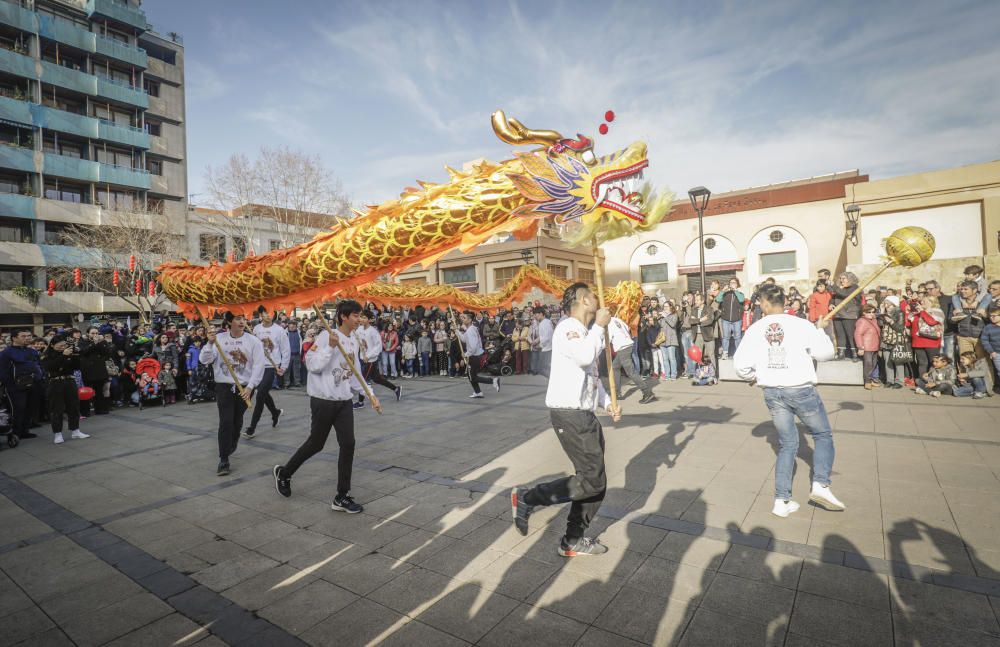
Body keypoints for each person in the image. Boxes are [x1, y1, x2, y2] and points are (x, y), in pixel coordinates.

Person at [511, 282, 622, 557]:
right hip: (569, 414)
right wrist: (599, 326)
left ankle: (573, 539)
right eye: (593, 296)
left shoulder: (584, 331)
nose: (598, 299)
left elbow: (592, 378)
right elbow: (585, 358)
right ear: (584, 300)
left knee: (595, 481)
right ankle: (528, 497)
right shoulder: (568, 328)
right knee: (592, 480)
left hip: (585, 414)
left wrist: (607, 403)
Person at [733, 284, 844, 518]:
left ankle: (782, 500)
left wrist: (753, 376)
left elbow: (740, 366)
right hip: (800, 389)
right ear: (783, 301)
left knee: (787, 444)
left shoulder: (755, 329)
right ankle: (820, 484)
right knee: (822, 435)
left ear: (764, 303)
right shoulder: (801, 324)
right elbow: (825, 353)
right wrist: (821, 331)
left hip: (773, 392)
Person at [273, 300, 372, 513]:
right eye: (355, 315)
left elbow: (354, 373)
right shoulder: (326, 336)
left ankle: (342, 496)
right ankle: (285, 473)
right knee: (316, 443)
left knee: (348, 444)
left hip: (343, 401)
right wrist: (330, 347)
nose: (359, 319)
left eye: (360, 315)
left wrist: (369, 394)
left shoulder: (353, 341)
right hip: (323, 400)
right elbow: (312, 365)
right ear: (343, 316)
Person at [200, 313, 266, 476]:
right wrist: (209, 343)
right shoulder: (219, 339)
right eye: (237, 318)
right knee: (226, 421)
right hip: (224, 386)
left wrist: (250, 387)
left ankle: (233, 440)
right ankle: (223, 460)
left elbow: (259, 366)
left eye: (243, 318)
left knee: (237, 421)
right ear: (229, 322)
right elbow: (204, 359)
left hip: (245, 387)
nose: (242, 321)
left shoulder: (253, 341)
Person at [244, 309, 289, 438]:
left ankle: (252, 428)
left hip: (271, 366)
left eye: (270, 313)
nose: (268, 315)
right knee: (263, 393)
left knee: (260, 395)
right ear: (260, 315)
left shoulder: (279, 330)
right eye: (265, 313)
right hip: (257, 366)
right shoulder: (256, 329)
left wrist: (283, 367)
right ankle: (275, 412)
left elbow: (286, 349)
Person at [40, 335, 89, 445]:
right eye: (60, 345)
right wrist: (63, 355)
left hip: (70, 381)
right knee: (57, 409)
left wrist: (75, 354)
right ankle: (57, 433)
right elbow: (51, 367)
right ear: (52, 345)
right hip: (55, 382)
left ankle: (75, 430)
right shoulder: (47, 354)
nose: (63, 347)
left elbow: (76, 366)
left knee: (74, 407)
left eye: (64, 345)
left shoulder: (69, 352)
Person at [0, 328, 42, 440]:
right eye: (23, 336)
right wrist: (11, 385)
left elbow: (38, 366)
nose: (27, 338)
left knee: (29, 408)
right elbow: (3, 372)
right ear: (14, 338)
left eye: (29, 335)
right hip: (15, 387)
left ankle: (25, 431)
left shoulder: (32, 351)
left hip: (32, 384)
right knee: (18, 409)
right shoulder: (6, 353)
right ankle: (15, 433)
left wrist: (38, 379)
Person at [606, 310, 655, 403]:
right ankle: (616, 392)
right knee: (615, 367)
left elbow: (608, 339)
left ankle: (647, 392)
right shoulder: (617, 320)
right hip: (627, 345)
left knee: (630, 372)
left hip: (623, 347)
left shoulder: (608, 324)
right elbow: (627, 328)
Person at [354, 314, 402, 409]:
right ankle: (396, 389)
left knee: (363, 380)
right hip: (362, 358)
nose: (361, 319)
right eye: (361, 317)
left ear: (370, 319)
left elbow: (378, 347)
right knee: (377, 379)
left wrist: (369, 355)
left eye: (364, 317)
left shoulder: (373, 332)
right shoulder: (359, 329)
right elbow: (357, 342)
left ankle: (360, 402)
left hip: (370, 360)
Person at [458, 312, 499, 398]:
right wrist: (456, 330)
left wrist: (466, 354)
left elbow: (472, 347)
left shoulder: (470, 330)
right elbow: (463, 339)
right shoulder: (472, 329)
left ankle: (493, 380)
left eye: (464, 318)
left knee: (473, 377)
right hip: (475, 355)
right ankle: (478, 392)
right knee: (470, 376)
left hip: (475, 356)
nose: (463, 319)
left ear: (469, 320)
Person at [909, 296, 944, 379]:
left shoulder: (937, 311)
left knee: (933, 363)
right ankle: (922, 381)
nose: (921, 302)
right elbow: (909, 324)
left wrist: (922, 312)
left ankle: (934, 380)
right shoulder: (919, 312)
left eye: (924, 301)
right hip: (918, 342)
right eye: (921, 301)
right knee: (922, 363)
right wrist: (909, 312)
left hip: (931, 341)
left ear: (931, 302)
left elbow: (932, 322)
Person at [830, 272, 862, 361]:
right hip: (838, 314)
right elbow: (833, 297)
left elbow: (845, 295)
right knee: (840, 334)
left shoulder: (854, 287)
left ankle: (855, 354)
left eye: (843, 278)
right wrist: (831, 304)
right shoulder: (839, 288)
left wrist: (834, 287)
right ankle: (841, 353)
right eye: (840, 278)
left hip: (849, 314)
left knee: (851, 334)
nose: (841, 280)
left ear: (850, 279)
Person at [686, 293, 719, 368]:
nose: (695, 302)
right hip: (697, 336)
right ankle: (700, 374)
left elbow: (710, 320)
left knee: (711, 355)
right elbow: (690, 321)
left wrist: (697, 321)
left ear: (702, 301)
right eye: (695, 300)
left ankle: (713, 375)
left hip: (708, 335)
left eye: (697, 300)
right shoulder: (694, 309)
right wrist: (701, 319)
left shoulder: (709, 309)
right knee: (698, 356)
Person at [715, 278, 745, 359]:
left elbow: (742, 300)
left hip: (737, 319)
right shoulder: (725, 294)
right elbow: (717, 299)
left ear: (737, 284)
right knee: (725, 337)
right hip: (726, 319)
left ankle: (738, 353)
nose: (732, 284)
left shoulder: (740, 294)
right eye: (731, 282)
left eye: (734, 283)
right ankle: (725, 353)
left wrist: (735, 291)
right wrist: (723, 291)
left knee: (737, 337)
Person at [854, 304, 882, 389]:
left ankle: (871, 380)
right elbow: (858, 334)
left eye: (873, 312)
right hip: (867, 347)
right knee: (868, 364)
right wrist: (860, 347)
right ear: (863, 313)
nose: (871, 314)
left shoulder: (874, 320)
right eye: (869, 312)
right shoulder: (862, 321)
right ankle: (867, 382)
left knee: (873, 364)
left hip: (874, 346)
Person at [534, 306, 554, 377]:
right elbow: (543, 336)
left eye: (536, 314)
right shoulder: (544, 322)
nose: (535, 317)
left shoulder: (545, 323)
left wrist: (539, 345)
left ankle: (553, 381)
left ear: (541, 314)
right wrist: (537, 341)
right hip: (546, 348)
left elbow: (547, 337)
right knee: (544, 368)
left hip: (547, 349)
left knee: (543, 369)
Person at [286, 321, 303, 387]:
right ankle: (286, 383)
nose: (292, 328)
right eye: (290, 327)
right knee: (287, 370)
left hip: (297, 354)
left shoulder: (299, 333)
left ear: (296, 327)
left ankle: (297, 382)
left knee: (297, 369)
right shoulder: (286, 333)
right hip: (288, 355)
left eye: (293, 327)